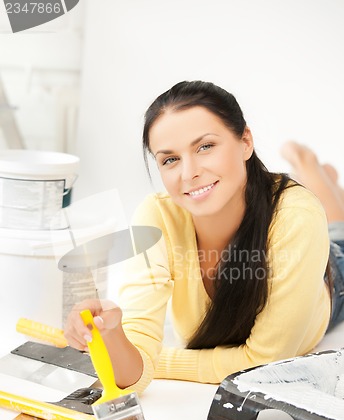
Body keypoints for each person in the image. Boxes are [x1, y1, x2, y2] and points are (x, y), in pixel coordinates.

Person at [64, 80, 343, 395]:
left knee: (338, 231)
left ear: (245, 142)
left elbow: (266, 361)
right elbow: (132, 374)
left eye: (205, 146)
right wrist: (113, 337)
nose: (189, 173)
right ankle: (323, 177)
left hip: (330, 278)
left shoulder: (297, 216)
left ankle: (310, 167)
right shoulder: (158, 218)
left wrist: (160, 361)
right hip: (298, 229)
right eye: (170, 159)